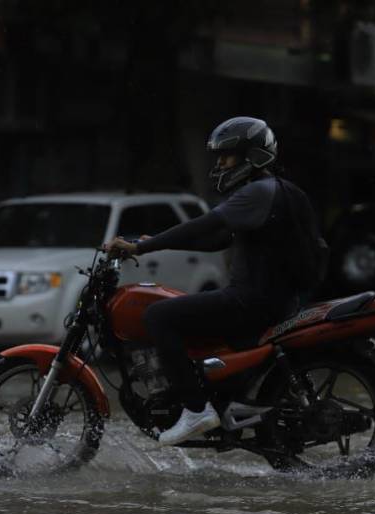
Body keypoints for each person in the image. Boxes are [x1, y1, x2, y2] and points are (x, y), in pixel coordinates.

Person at [105, 116, 324, 446]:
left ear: (252, 156)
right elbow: (217, 239)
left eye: (227, 155)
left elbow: (205, 224)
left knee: (158, 315)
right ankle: (212, 395)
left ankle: (195, 409)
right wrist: (157, 241)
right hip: (277, 300)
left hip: (252, 301)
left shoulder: (256, 193)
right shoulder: (283, 191)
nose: (220, 163)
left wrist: (140, 246)